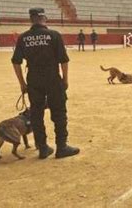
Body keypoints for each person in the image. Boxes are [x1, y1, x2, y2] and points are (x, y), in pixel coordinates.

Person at [11, 8, 80, 159]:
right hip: (52, 78)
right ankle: (61, 147)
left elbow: (16, 62)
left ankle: (42, 148)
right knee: (59, 112)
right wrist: (65, 80)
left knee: (36, 114)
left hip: (34, 79)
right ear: (44, 18)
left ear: (31, 19)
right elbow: (64, 60)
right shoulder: (53, 35)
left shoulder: (23, 38)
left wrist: (22, 83)